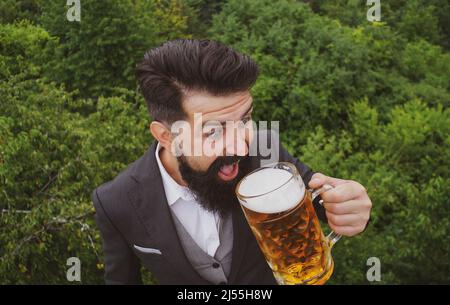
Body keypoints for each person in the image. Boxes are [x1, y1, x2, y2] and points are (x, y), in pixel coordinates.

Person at [92, 39, 372, 285]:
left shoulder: (265, 149)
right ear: (166, 136)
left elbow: (323, 201)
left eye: (245, 120)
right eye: (213, 131)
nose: (241, 145)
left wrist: (351, 207)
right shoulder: (116, 202)